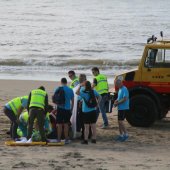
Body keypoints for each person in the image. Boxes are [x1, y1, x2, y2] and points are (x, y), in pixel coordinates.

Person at [53, 78, 74, 144]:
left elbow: (55, 99)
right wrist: (72, 108)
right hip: (67, 109)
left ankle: (58, 139)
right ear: (66, 82)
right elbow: (72, 100)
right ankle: (66, 139)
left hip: (59, 108)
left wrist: (56, 107)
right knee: (66, 124)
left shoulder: (58, 88)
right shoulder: (70, 90)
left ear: (61, 82)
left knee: (59, 124)